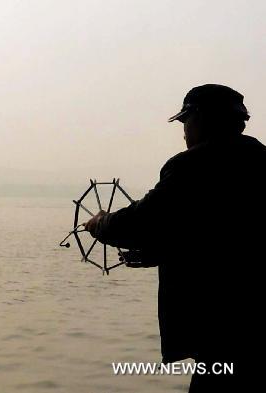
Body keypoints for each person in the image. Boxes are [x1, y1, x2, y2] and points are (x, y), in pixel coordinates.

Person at [84, 84, 262, 392]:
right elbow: (224, 236)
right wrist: (157, 253)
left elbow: (140, 222)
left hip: (222, 331)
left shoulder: (192, 165)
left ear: (201, 119)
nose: (183, 132)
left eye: (185, 122)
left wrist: (100, 223)